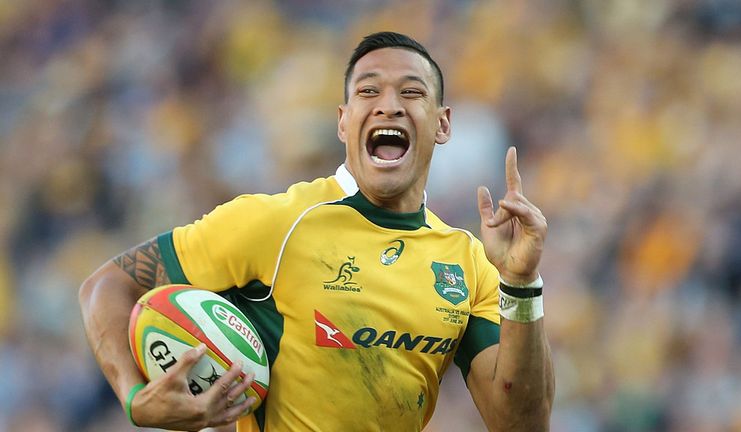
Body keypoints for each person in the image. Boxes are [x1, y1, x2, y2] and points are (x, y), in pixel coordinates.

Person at [79, 31, 554, 431]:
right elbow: (107, 286)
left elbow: (521, 423)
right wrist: (135, 399)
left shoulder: (468, 264)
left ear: (443, 123)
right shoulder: (276, 222)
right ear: (344, 122)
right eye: (368, 92)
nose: (388, 105)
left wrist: (521, 282)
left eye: (411, 92)